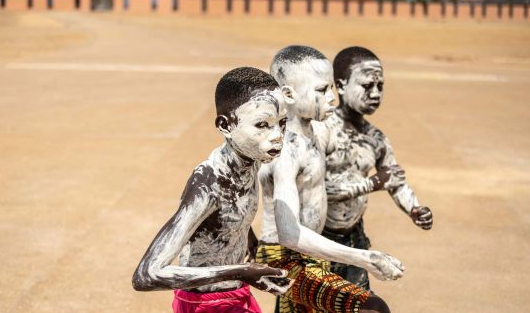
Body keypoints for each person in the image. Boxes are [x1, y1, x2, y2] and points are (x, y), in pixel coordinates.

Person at [132, 67, 293, 313]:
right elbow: (146, 274)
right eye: (262, 124)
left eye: (282, 123)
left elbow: (231, 212)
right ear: (225, 125)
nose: (277, 136)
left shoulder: (252, 158)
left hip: (237, 294)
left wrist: (250, 243)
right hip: (204, 305)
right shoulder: (207, 183)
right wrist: (241, 271)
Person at [256, 46, 402, 313]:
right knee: (372, 308)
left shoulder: (312, 131)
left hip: (311, 257)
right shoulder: (286, 150)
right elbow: (289, 234)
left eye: (332, 88)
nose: (333, 99)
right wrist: (365, 258)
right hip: (288, 260)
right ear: (288, 94)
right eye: (322, 91)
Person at [321, 46, 433, 290]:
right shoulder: (322, 130)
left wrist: (414, 208)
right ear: (340, 86)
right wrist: (372, 183)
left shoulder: (376, 139)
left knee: (361, 303)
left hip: (354, 238)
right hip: (317, 241)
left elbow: (395, 181)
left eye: (380, 86)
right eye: (366, 86)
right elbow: (314, 190)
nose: (375, 93)